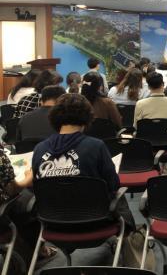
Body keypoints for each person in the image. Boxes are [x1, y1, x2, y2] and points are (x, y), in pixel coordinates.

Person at [32, 93, 135, 231]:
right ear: (87, 117)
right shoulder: (96, 146)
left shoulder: (39, 149)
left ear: (54, 117)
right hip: (94, 221)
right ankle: (129, 233)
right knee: (118, 197)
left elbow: (37, 186)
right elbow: (113, 184)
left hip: (52, 223)